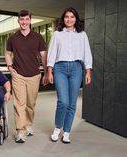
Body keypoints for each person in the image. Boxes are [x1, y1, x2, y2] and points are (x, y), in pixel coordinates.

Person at [47, 7, 93, 144]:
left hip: (76, 68)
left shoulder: (82, 34)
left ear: (76, 19)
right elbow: (52, 52)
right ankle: (57, 128)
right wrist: (49, 71)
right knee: (63, 101)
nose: (69, 19)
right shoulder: (57, 34)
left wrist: (88, 71)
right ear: (63, 19)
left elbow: (87, 53)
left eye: (72, 17)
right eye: (67, 17)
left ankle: (66, 132)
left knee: (72, 103)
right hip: (60, 67)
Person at [5, 10, 48, 143]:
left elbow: (43, 56)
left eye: (26, 19)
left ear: (30, 21)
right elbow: (7, 53)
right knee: (19, 104)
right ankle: (20, 131)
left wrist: (46, 73)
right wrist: (10, 67)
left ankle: (28, 124)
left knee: (30, 104)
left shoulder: (38, 37)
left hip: (34, 75)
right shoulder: (13, 37)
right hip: (18, 74)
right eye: (22, 20)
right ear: (18, 21)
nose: (24, 22)